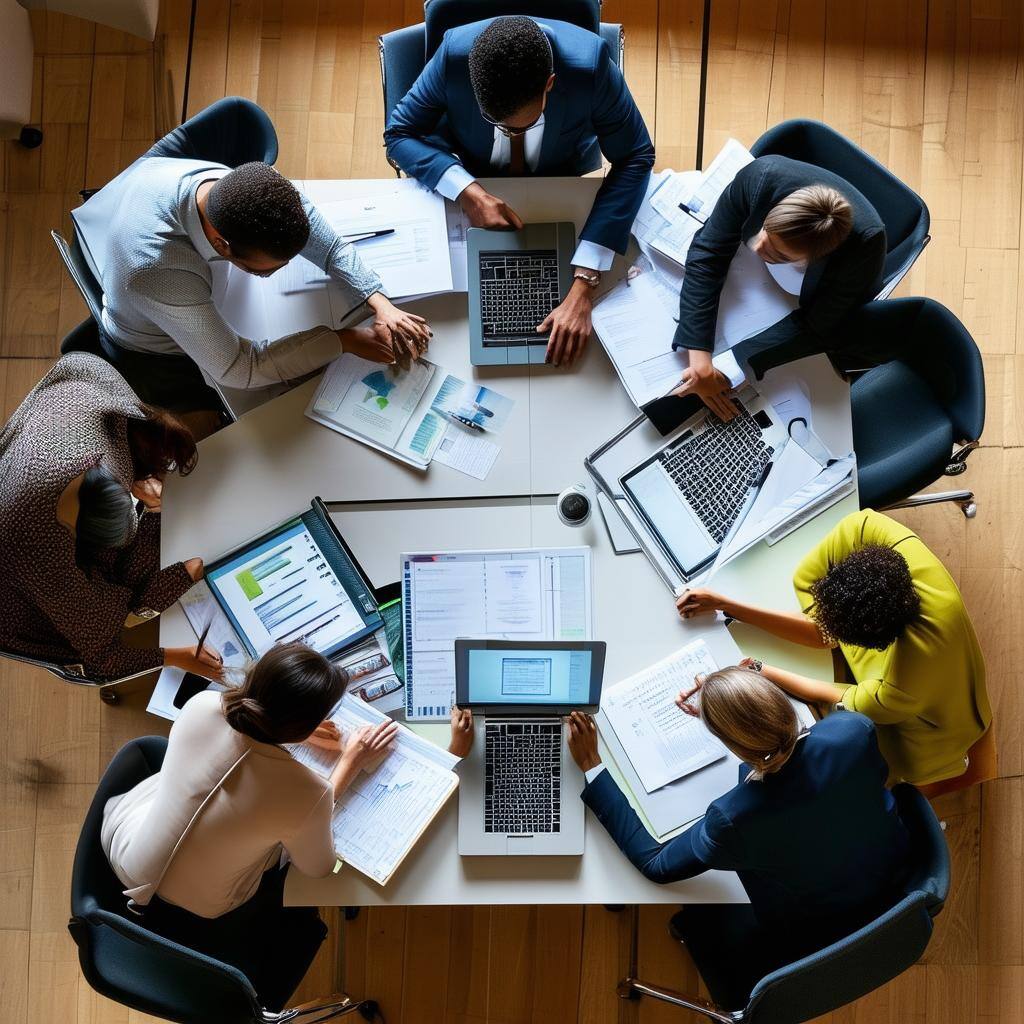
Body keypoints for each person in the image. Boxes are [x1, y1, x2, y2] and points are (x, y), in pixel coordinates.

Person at [101, 643, 474, 955]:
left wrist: (298, 733)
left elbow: (242, 749)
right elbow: (318, 868)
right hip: (201, 906)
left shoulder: (202, 705)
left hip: (127, 851)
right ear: (299, 724)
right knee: (281, 843)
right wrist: (347, 762)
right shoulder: (306, 791)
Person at [567, 667, 911, 982]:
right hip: (896, 877)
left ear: (731, 743)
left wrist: (592, 766)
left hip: (819, 927)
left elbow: (656, 864)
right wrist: (733, 711)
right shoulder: (852, 730)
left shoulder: (734, 819)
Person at [385, 15, 655, 367]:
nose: (509, 133)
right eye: (496, 123)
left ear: (550, 84)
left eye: (521, 126)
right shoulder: (454, 55)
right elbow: (398, 134)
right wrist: (468, 191)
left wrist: (587, 280)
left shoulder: (590, 67)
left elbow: (637, 155)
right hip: (475, 173)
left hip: (560, 177)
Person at [85, 156, 431, 409]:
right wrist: (346, 340)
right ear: (222, 246)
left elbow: (331, 245)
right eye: (265, 271)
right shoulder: (158, 270)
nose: (273, 275)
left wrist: (379, 302)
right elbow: (238, 369)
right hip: (158, 353)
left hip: (204, 292)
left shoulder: (243, 187)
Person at [676, 509, 991, 787]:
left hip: (934, 720)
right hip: (917, 659)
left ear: (871, 641)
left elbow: (832, 692)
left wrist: (758, 668)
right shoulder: (867, 528)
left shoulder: (903, 689)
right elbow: (819, 623)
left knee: (869, 750)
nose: (825, 635)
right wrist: (725, 604)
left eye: (835, 635)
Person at [0, 353, 219, 682]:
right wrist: (180, 657)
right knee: (159, 575)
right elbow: (102, 662)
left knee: (172, 540)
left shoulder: (84, 391)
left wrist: (135, 483)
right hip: (26, 609)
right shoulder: (39, 553)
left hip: (31, 522)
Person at [672, 155, 885, 420]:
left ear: (814, 258)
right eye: (764, 233)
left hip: (807, 303)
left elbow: (816, 326)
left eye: (780, 255)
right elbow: (708, 253)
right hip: (748, 288)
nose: (756, 247)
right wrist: (700, 359)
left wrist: (730, 369)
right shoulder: (761, 177)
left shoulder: (864, 249)